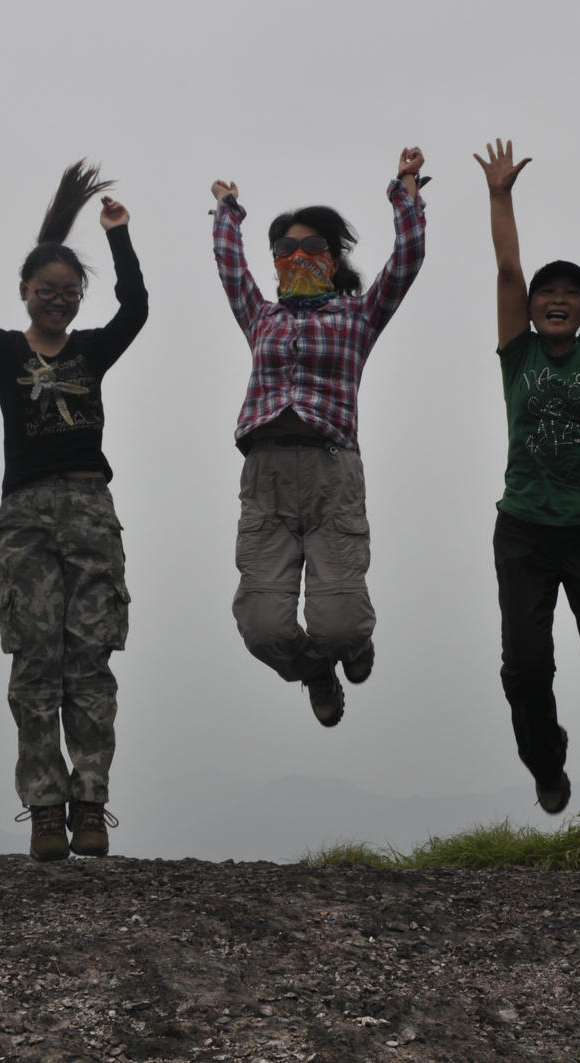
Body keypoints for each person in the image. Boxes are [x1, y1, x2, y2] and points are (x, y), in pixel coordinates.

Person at [0, 162, 147, 861]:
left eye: (68, 292)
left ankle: (90, 804)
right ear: (25, 293)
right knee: (36, 658)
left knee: (89, 658)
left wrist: (117, 237)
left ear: (78, 297)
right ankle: (44, 811)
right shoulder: (4, 353)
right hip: (26, 514)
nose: (57, 301)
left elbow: (137, 311)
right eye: (45, 291)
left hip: (91, 508)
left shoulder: (92, 350)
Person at [210, 149, 427, 727]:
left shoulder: (357, 317)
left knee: (340, 621)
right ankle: (314, 673)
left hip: (331, 473)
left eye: (311, 248)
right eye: (284, 250)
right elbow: (230, 268)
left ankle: (353, 647)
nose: (297, 257)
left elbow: (407, 260)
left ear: (332, 259)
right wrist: (227, 211)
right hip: (266, 477)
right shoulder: (261, 317)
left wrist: (405, 191)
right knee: (261, 627)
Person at [474, 137, 580, 817]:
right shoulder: (516, 354)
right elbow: (509, 268)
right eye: (548, 291)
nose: (556, 297)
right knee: (525, 668)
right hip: (523, 530)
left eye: (569, 293)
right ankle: (546, 766)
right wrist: (499, 194)